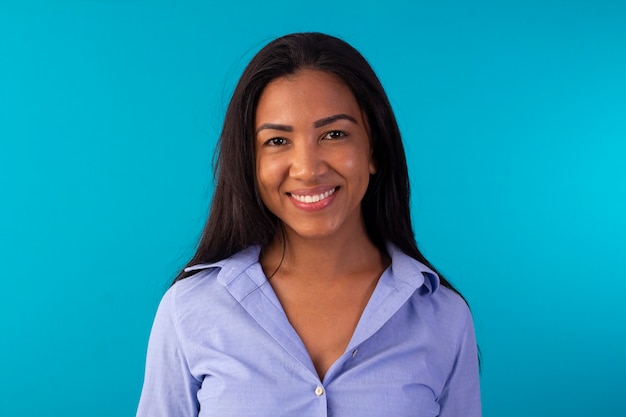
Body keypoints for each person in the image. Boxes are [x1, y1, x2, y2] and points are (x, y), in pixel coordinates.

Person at [136, 32, 481, 417]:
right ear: (250, 162)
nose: (308, 168)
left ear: (374, 150)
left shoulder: (444, 317)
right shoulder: (189, 310)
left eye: (334, 134)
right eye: (277, 141)